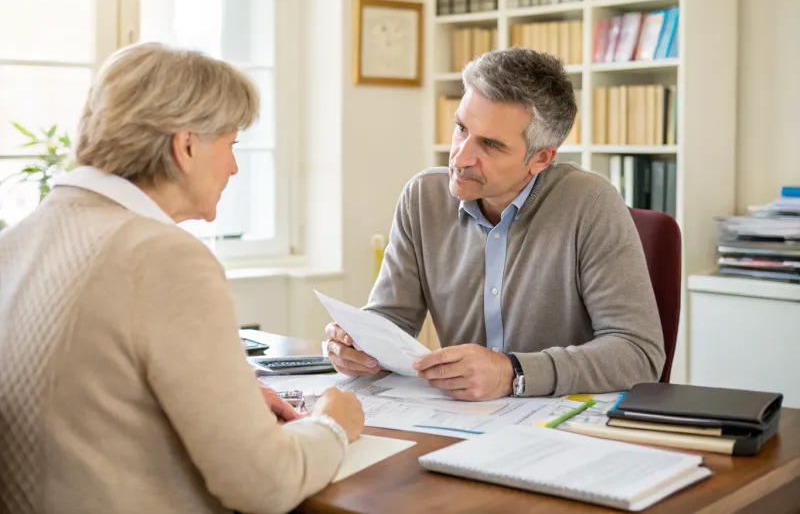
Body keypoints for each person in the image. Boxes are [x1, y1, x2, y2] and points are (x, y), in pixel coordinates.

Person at [0, 43, 364, 514]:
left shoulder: (18, 240)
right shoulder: (164, 258)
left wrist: (224, 397)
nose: (234, 168)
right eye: (231, 145)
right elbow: (265, 485)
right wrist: (333, 424)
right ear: (186, 145)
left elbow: (83, 395)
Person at [326, 47, 666, 401]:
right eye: (461, 128)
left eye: (489, 144)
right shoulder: (423, 199)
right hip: (457, 419)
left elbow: (639, 354)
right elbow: (390, 323)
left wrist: (512, 373)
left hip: (563, 427)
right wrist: (357, 348)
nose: (459, 157)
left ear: (541, 158)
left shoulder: (591, 204)